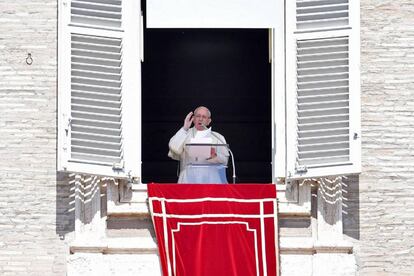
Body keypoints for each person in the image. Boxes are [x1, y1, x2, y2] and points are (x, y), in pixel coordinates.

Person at [168, 106, 229, 183]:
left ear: (209, 121)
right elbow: (174, 148)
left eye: (204, 117)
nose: (200, 119)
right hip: (188, 178)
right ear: (193, 119)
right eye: (198, 116)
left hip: (211, 179)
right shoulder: (185, 133)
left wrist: (214, 155)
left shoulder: (218, 137)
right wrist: (184, 128)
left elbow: (225, 160)